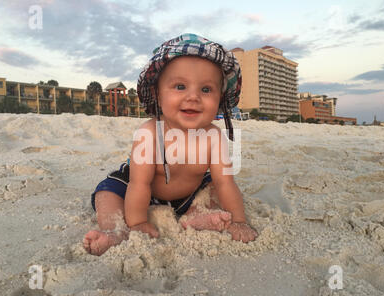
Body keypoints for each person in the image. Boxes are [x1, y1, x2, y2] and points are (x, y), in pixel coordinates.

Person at [83, 34, 258, 256]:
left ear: (220, 98)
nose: (193, 96)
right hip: (139, 191)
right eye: (180, 86)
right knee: (107, 193)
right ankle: (115, 230)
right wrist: (137, 223)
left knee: (214, 186)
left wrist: (239, 221)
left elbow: (225, 183)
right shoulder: (150, 133)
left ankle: (195, 216)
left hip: (187, 195)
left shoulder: (214, 137)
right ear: (157, 93)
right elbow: (139, 185)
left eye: (206, 90)